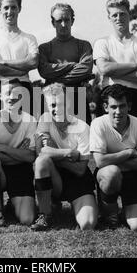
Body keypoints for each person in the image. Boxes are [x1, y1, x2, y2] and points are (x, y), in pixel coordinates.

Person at [31, 83, 97, 231]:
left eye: (61, 104)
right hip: (55, 177)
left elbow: (80, 169)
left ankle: (82, 204)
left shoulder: (83, 127)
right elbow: (41, 152)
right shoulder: (45, 119)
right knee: (41, 162)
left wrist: (54, 155)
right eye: (52, 105)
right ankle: (45, 214)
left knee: (88, 224)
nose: (56, 109)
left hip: (77, 180)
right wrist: (68, 153)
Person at [90, 84, 137, 230]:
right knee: (111, 173)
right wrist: (129, 153)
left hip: (134, 177)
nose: (118, 111)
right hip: (110, 175)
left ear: (129, 106)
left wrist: (112, 160)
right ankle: (110, 214)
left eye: (122, 106)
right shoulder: (98, 123)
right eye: (113, 107)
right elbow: (100, 161)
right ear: (105, 107)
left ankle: (128, 210)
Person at [0, 79, 37, 227]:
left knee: (27, 219)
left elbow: (31, 156)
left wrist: (2, 148)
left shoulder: (30, 120)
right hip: (0, 171)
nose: (12, 97)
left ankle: (12, 204)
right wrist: (18, 153)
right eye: (7, 93)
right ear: (0, 96)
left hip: (21, 172)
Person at [93, 0, 137, 128]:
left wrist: (114, 72)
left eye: (122, 14)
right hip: (109, 96)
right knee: (107, 143)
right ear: (109, 17)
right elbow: (104, 68)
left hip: (136, 98)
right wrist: (134, 66)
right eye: (114, 15)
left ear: (129, 15)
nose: (118, 18)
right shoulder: (102, 43)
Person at [0, 0, 38, 114]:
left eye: (13, 7)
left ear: (19, 9)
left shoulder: (29, 38)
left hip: (23, 88)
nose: (9, 11)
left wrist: (3, 63)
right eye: (6, 7)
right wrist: (21, 69)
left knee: (25, 129)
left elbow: (33, 62)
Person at [38, 3, 93, 124]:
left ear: (72, 21)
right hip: (52, 100)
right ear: (53, 23)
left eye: (67, 20)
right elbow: (44, 70)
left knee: (81, 139)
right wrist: (72, 65)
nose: (63, 24)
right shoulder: (44, 48)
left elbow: (85, 69)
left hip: (77, 98)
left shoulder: (83, 45)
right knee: (51, 139)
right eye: (59, 21)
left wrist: (55, 80)